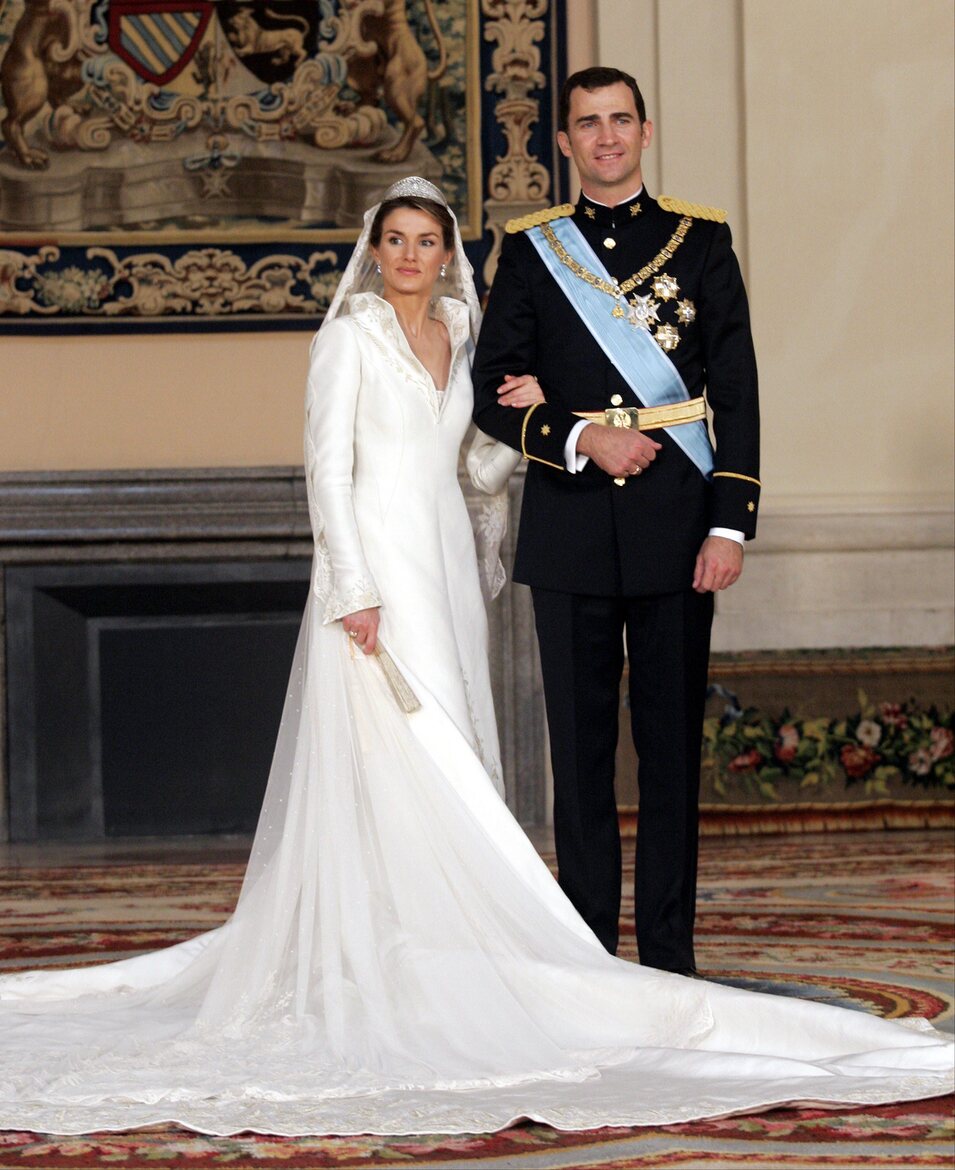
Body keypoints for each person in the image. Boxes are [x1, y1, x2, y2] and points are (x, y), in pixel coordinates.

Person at [0, 178, 950, 1139]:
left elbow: (480, 463)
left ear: (447, 252)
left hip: (446, 563)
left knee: (453, 743)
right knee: (401, 757)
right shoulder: (348, 339)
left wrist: (552, 404)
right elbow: (326, 470)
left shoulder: (459, 336)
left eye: (427, 240)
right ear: (372, 249)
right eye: (396, 239)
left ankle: (454, 948)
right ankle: (389, 957)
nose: (411, 255)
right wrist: (351, 589)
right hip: (380, 570)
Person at [472, 67, 758, 973]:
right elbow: (491, 392)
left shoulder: (700, 240)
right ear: (562, 143)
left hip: (680, 523)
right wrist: (583, 434)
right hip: (568, 526)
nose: (604, 138)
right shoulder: (529, 248)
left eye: (619, 121)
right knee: (582, 758)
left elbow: (737, 389)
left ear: (644, 131)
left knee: (670, 757)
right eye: (587, 124)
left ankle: (670, 958)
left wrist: (730, 524)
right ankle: (592, 959)